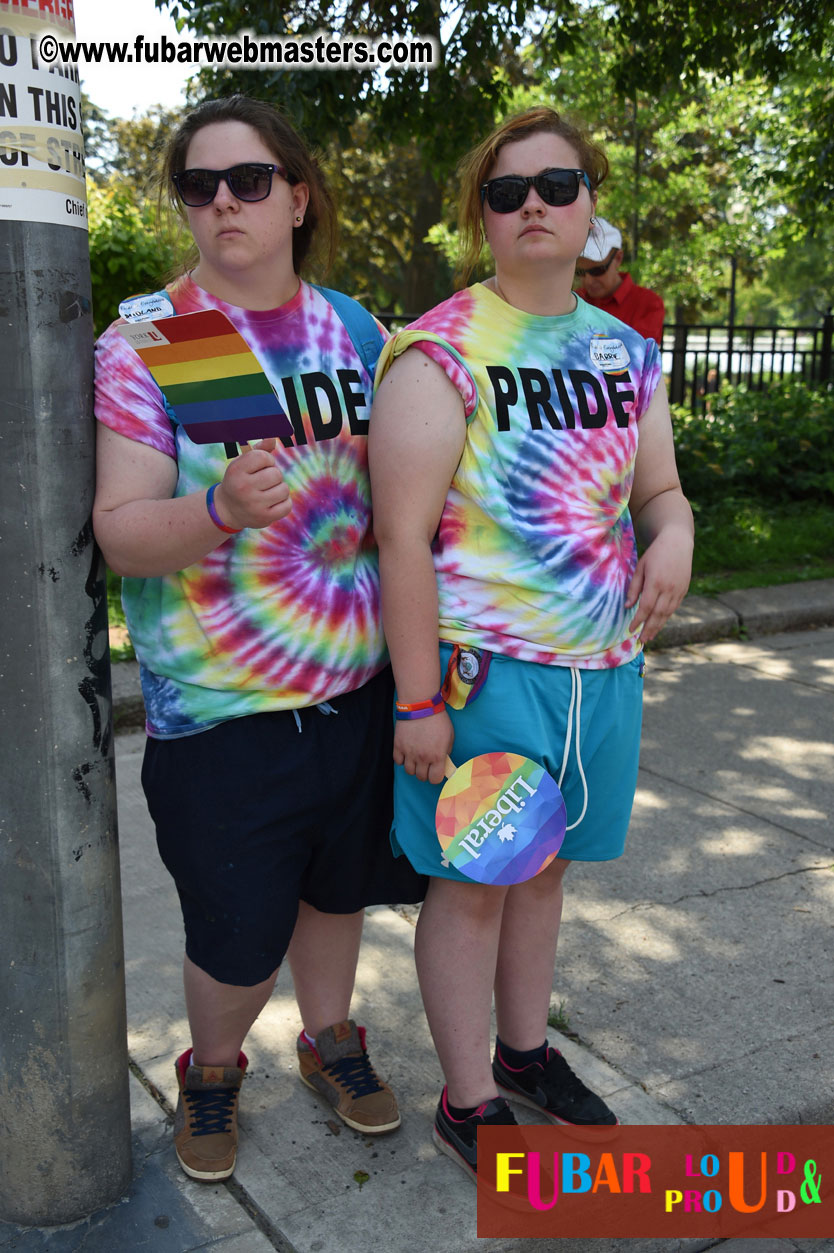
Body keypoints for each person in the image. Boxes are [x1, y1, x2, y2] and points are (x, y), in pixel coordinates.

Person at [92, 96, 425, 1184]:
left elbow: (407, 505)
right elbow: (123, 534)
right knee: (235, 931)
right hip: (222, 711)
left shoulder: (362, 329)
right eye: (199, 184)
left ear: (297, 195)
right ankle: (214, 1063)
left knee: (338, 894)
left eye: (247, 180)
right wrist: (221, 511)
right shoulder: (157, 334)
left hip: (361, 689)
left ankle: (330, 1040)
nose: (223, 200)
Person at [368, 106, 693, 1182]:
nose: (535, 207)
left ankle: (524, 1052)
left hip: (599, 672)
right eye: (507, 193)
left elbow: (658, 491)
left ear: (593, 203)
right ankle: (468, 1102)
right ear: (482, 217)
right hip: (488, 673)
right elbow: (400, 538)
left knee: (544, 874)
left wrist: (677, 538)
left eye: (557, 185)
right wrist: (420, 700)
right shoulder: (441, 350)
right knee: (475, 886)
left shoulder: (627, 351)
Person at [576, 216, 665, 342]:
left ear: (618, 258)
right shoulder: (574, 301)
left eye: (598, 270)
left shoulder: (648, 304)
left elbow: (637, 356)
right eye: (580, 272)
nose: (588, 281)